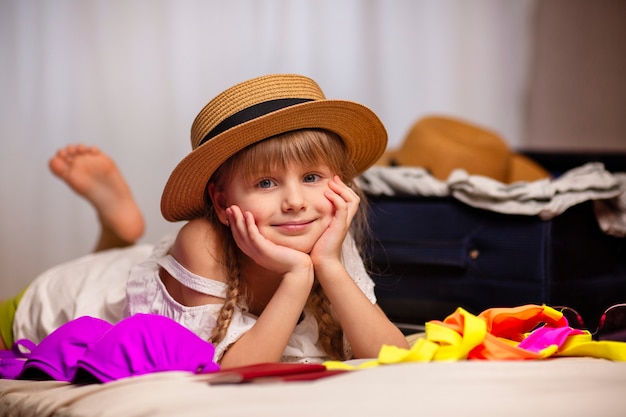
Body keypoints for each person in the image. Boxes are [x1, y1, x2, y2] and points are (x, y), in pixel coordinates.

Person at [0, 74, 409, 367]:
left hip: (150, 271)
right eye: (266, 182)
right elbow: (234, 371)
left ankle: (117, 235)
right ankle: (115, 237)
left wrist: (329, 266)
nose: (296, 202)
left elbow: (394, 356)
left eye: (311, 177)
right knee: (99, 284)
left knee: (129, 261)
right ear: (220, 198)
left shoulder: (324, 231)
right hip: (64, 295)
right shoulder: (202, 241)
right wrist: (298, 276)